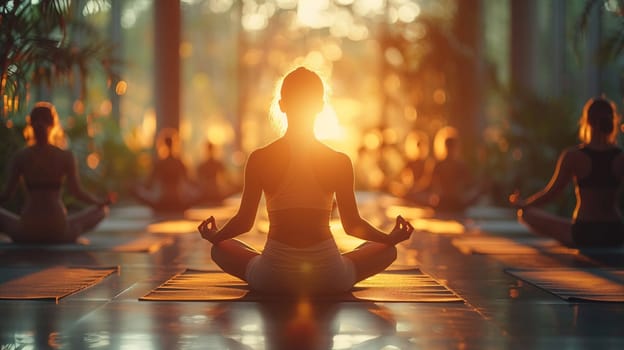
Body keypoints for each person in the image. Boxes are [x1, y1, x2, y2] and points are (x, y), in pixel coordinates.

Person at [198, 67, 414, 295]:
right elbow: (352, 225)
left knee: (219, 249)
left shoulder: (259, 158)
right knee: (388, 250)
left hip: (272, 277)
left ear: (282, 105)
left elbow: (244, 222)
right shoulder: (338, 161)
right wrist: (389, 238)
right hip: (329, 277)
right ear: (320, 107)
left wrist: (216, 236)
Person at [509, 97, 624, 248]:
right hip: (614, 232)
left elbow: (552, 192)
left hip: (584, 233)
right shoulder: (621, 157)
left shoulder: (573, 156)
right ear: (612, 122)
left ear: (587, 122)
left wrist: (524, 204)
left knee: (526, 214)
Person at [0, 102, 111, 244]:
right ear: (53, 124)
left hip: (28, 229)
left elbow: (6, 195)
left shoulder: (21, 156)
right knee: (101, 211)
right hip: (57, 229)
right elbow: (76, 191)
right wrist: (99, 202)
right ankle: (69, 232)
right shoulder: (65, 156)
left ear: (30, 124)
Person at [131, 128, 200, 213]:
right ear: (175, 144)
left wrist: (137, 188)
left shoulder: (160, 163)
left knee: (137, 191)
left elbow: (148, 184)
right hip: (177, 200)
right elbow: (190, 181)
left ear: (162, 144)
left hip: (163, 200)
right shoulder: (178, 162)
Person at [427, 132, 482, 213]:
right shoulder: (438, 165)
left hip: (456, 202)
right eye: (449, 146)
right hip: (443, 201)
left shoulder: (461, 165)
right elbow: (430, 185)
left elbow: (469, 184)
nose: (450, 149)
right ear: (445, 146)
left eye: (452, 146)